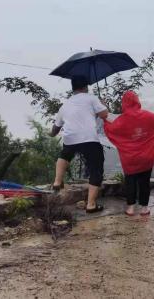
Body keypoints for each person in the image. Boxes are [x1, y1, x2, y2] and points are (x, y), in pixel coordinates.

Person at [50, 76, 108, 214]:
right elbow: (105, 114)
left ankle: (57, 182)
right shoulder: (91, 98)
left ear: (73, 88)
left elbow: (56, 128)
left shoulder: (65, 105)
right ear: (86, 87)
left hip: (70, 137)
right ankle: (91, 205)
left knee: (65, 153)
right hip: (89, 138)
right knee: (96, 168)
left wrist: (51, 134)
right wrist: (102, 105)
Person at [103, 92, 154, 217]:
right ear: (137, 101)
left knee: (130, 181)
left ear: (124, 103)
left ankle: (131, 208)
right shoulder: (147, 115)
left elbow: (111, 129)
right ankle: (144, 209)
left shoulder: (122, 119)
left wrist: (104, 118)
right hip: (146, 157)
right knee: (145, 181)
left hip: (129, 159)